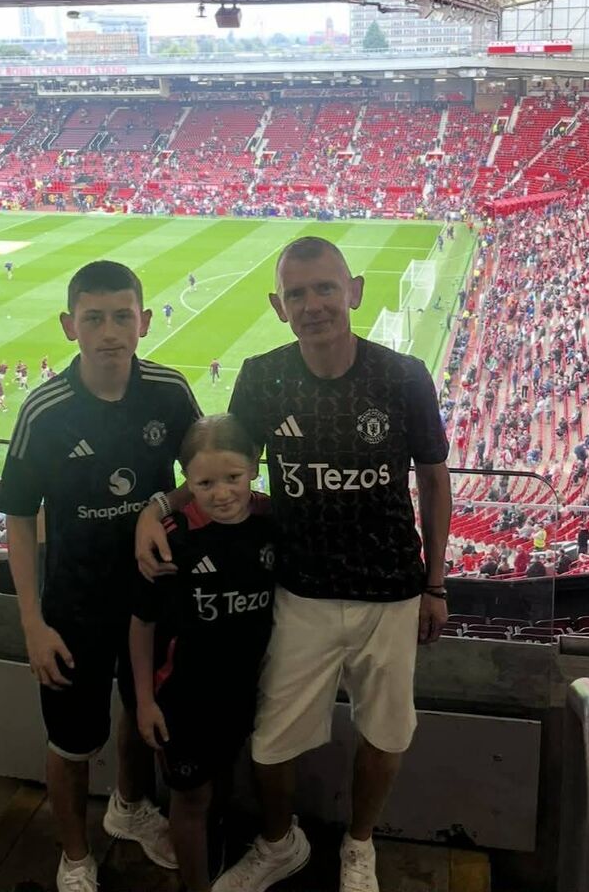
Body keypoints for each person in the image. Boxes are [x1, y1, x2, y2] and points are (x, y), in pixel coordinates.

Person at [137, 236, 451, 892]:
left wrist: (434, 584)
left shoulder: (402, 376)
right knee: (272, 740)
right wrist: (155, 507)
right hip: (299, 588)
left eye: (325, 288)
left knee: (387, 731)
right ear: (279, 306)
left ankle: (358, 845)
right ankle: (280, 842)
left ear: (353, 291)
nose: (313, 304)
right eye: (298, 294)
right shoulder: (262, 374)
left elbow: (432, 478)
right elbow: (223, 461)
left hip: (391, 590)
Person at [0, 260, 201, 892]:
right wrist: (32, 623)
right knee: (70, 742)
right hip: (74, 606)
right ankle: (76, 856)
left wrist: (156, 506)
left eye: (121, 316)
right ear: (69, 325)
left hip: (153, 596)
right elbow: (21, 520)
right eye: (93, 318)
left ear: (142, 320)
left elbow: (204, 475)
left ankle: (130, 807)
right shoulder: (46, 410)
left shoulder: (169, 390)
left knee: (146, 711)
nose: (109, 331)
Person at [131, 415, 273, 892]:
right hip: (182, 700)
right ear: (185, 481)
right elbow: (143, 622)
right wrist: (146, 702)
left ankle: (215, 861)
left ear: (254, 468)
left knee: (225, 782)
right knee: (191, 798)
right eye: (204, 483)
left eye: (232, 478)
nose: (221, 493)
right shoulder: (172, 537)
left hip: (241, 692)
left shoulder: (272, 523)